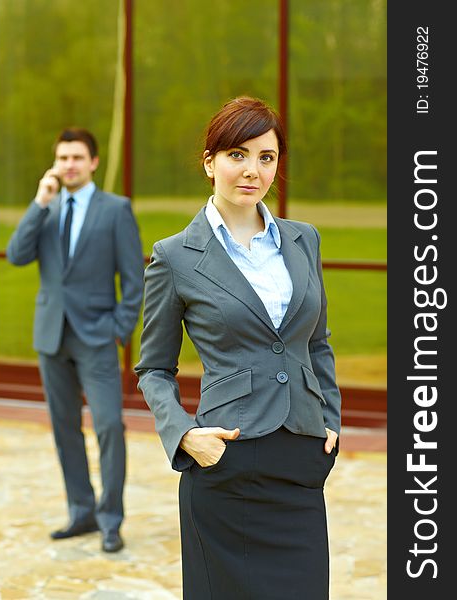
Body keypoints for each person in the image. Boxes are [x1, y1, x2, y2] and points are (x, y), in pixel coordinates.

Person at [134, 96, 341, 598]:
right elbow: (153, 369)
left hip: (300, 457)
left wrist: (330, 417)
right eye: (237, 155)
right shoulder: (175, 257)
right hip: (226, 460)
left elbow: (317, 342)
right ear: (210, 163)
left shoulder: (303, 240)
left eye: (266, 157)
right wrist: (185, 436)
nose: (252, 170)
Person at [7, 128, 144, 553]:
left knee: (108, 426)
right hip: (51, 337)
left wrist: (119, 328)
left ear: (93, 163)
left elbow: (134, 279)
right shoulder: (45, 208)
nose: (69, 164)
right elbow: (16, 254)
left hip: (97, 337)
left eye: (77, 157)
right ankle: (81, 512)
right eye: (63, 157)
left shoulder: (116, 209)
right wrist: (37, 202)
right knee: (65, 429)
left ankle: (110, 519)